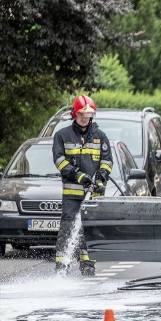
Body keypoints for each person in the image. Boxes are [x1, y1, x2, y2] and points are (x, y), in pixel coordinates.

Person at [52, 94, 112, 276]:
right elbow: (60, 161)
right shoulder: (62, 135)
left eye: (88, 115)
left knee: (90, 229)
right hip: (72, 193)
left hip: (93, 194)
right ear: (74, 114)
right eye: (81, 115)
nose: (85, 119)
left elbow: (107, 161)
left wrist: (101, 178)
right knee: (68, 228)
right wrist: (78, 176)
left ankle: (87, 265)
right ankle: (62, 266)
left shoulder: (100, 136)